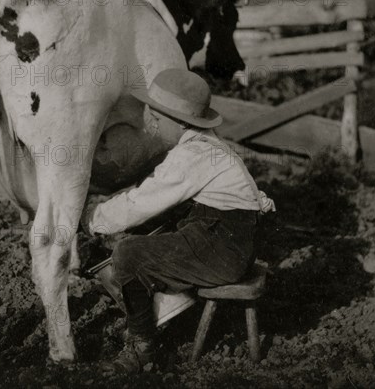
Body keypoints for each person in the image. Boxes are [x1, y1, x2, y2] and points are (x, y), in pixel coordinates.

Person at [81, 68, 275, 374]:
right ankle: (163, 305)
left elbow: (143, 202)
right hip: (227, 239)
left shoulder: (193, 155)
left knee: (127, 255)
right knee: (156, 229)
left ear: (183, 122)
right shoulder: (206, 146)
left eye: (157, 117)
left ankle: (142, 348)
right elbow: (157, 192)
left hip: (223, 249)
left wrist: (93, 218)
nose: (152, 123)